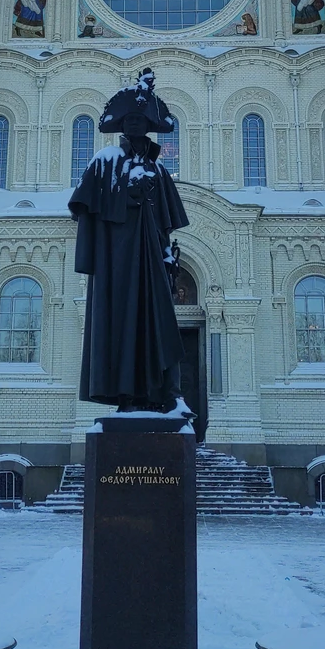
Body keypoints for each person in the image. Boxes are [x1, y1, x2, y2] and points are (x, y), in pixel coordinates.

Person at [69, 69, 190, 412]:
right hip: (117, 263)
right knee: (120, 322)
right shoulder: (105, 162)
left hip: (152, 260)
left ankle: (166, 395)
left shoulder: (159, 171)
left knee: (159, 322)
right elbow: (83, 207)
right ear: (121, 125)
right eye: (130, 120)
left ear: (149, 126)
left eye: (141, 120)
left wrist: (167, 255)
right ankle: (125, 398)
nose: (135, 125)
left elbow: (167, 222)